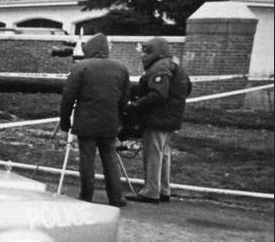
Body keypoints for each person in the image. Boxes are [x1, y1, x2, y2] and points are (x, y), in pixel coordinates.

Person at [59, 34, 130, 207]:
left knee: (87, 160)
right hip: (110, 122)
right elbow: (124, 99)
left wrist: (65, 119)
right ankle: (116, 198)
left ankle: (86, 196)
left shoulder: (81, 67)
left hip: (86, 122)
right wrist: (119, 120)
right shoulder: (121, 69)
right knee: (110, 159)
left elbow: (68, 96)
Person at [126, 37, 190, 204]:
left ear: (156, 52)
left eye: (146, 51)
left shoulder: (159, 67)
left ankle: (150, 191)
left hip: (157, 118)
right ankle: (164, 190)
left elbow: (158, 94)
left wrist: (135, 105)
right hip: (170, 117)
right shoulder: (173, 65)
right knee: (164, 154)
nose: (143, 55)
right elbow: (187, 87)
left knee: (153, 154)